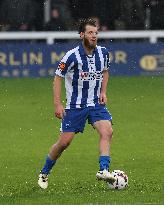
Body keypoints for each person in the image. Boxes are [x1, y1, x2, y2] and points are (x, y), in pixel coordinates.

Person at [38, 18, 116, 189]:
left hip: (96, 104)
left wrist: (103, 92)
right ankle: (44, 172)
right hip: (75, 106)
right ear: (82, 35)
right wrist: (58, 104)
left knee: (107, 131)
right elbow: (57, 78)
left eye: (96, 33)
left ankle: (103, 170)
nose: (94, 36)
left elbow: (105, 71)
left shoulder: (103, 53)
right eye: (90, 32)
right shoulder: (71, 56)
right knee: (64, 143)